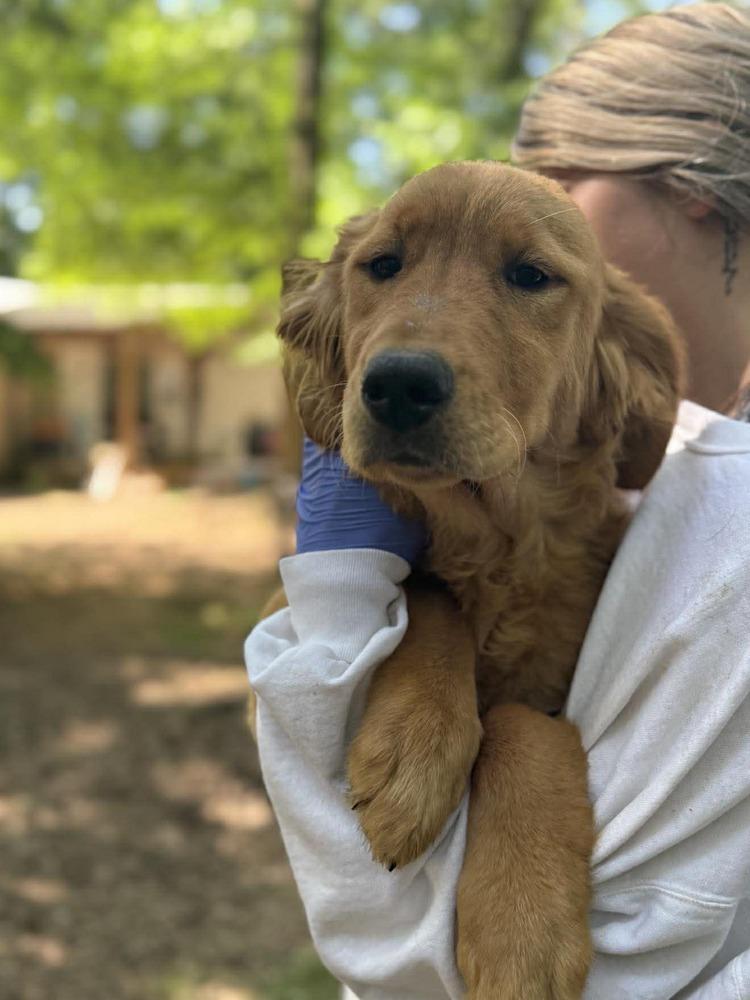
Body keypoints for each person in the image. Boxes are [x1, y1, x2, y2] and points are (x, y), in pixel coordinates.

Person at [245, 5, 750, 997]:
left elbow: (394, 955)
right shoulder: (671, 492)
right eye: (385, 267)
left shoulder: (717, 509)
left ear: (689, 191)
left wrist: (350, 617)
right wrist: (410, 625)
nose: (414, 339)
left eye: (529, 260)